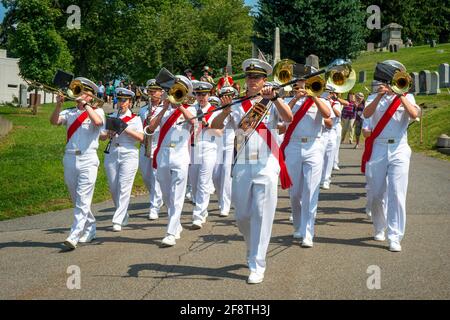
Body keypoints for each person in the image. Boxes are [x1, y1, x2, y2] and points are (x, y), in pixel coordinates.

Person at [211, 58, 293, 284]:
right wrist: (226, 110)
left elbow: (289, 118)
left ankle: (258, 263)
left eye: (257, 77)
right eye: (249, 77)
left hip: (267, 164)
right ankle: (251, 247)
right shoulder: (237, 104)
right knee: (243, 216)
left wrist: (275, 98)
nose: (252, 81)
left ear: (264, 80)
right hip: (242, 164)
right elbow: (216, 125)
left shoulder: (272, 101)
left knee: (261, 213)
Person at [362, 59, 420, 252]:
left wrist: (400, 95)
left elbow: (413, 114)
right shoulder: (373, 97)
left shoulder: (407, 97)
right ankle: (380, 226)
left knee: (397, 193)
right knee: (377, 193)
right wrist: (379, 97)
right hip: (378, 147)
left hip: (400, 148)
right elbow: (367, 114)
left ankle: (395, 236)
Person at [279, 65, 332, 248]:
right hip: (293, 145)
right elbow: (283, 120)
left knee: (311, 190)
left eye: (307, 80)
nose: (303, 83)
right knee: (294, 192)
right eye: (301, 80)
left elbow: (327, 115)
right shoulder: (290, 99)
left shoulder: (320, 98)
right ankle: (298, 226)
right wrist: (295, 99)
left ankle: (308, 232)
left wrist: (314, 97)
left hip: (313, 145)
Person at [50, 77, 105, 250]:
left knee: (83, 198)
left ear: (91, 96)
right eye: (79, 91)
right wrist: (58, 105)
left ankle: (74, 235)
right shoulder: (69, 112)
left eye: (84, 92)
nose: (80, 95)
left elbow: (98, 122)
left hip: (88, 159)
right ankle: (90, 227)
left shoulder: (98, 111)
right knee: (77, 199)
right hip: (70, 158)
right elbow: (53, 121)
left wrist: (87, 106)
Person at [147, 75, 196, 247]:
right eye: (174, 88)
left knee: (177, 196)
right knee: (167, 195)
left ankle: (170, 232)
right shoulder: (164, 109)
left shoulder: (191, 108)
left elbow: (194, 122)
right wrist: (163, 108)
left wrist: (180, 106)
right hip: (163, 156)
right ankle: (176, 225)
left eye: (179, 89)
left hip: (181, 156)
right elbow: (151, 128)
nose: (174, 91)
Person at [101, 88, 144, 232]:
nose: (121, 103)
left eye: (124, 100)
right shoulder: (111, 116)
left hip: (129, 152)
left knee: (124, 187)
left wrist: (124, 128)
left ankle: (117, 219)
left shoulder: (136, 118)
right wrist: (107, 133)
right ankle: (123, 214)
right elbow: (102, 136)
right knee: (114, 188)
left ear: (130, 102)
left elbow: (141, 138)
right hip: (112, 151)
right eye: (119, 100)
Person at [189, 81, 222, 229]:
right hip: (193, 148)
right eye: (198, 94)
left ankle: (199, 214)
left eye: (204, 94)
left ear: (209, 95)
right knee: (194, 183)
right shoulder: (191, 109)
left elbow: (219, 133)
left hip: (209, 147)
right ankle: (200, 207)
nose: (201, 97)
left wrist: (207, 125)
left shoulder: (215, 110)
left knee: (203, 181)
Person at [138, 79, 165, 220]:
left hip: (157, 145)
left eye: (155, 91)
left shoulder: (165, 109)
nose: (152, 94)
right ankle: (159, 197)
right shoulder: (143, 110)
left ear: (161, 93)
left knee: (155, 177)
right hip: (144, 145)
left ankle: (154, 206)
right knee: (146, 177)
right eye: (150, 91)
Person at [320, 86, 341, 190]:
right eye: (325, 91)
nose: (326, 94)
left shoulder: (335, 103)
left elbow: (337, 114)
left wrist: (331, 104)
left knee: (329, 157)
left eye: (328, 92)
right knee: (319, 157)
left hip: (332, 131)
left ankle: (326, 180)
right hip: (321, 133)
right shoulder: (320, 101)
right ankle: (319, 178)